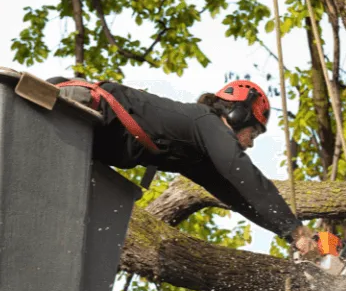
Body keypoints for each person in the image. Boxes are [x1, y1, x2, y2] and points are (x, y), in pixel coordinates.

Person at [48, 76, 319, 256]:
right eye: (254, 133)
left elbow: (240, 197)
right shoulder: (206, 121)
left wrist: (289, 234)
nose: (250, 144)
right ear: (239, 115)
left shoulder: (195, 154)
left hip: (84, 137)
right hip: (76, 107)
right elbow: (242, 172)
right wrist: (296, 228)